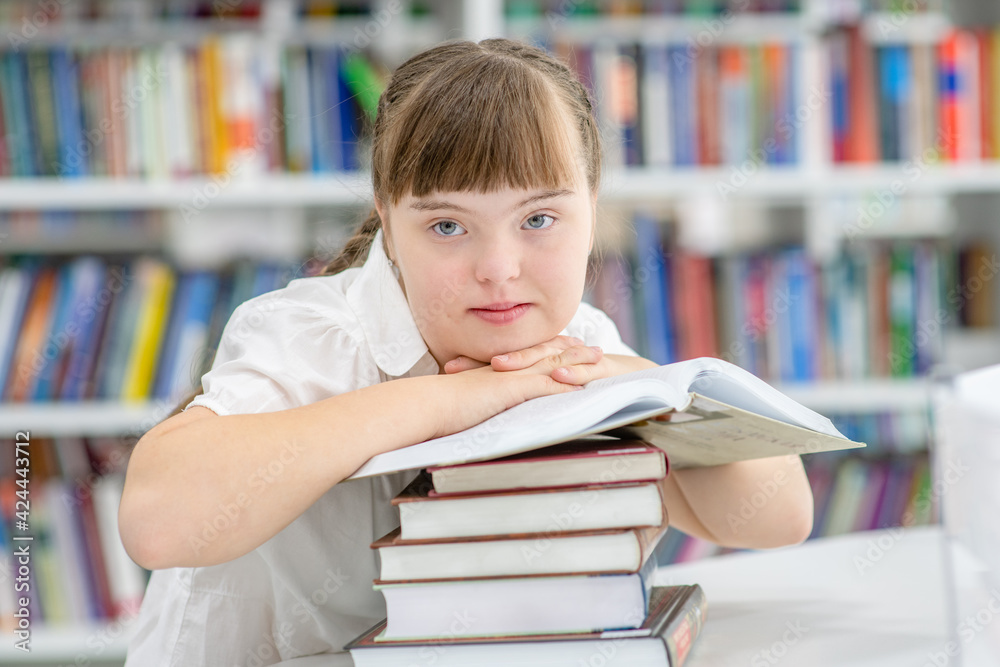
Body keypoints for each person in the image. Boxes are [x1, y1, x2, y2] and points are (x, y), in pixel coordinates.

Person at [118, 37, 814, 666]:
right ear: (389, 222)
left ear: (592, 210)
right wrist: (455, 398)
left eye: (539, 219)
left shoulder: (577, 346)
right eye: (448, 225)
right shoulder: (317, 333)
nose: (500, 268)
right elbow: (156, 520)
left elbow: (778, 517)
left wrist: (632, 381)